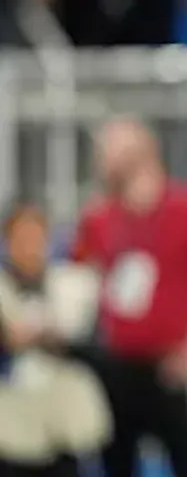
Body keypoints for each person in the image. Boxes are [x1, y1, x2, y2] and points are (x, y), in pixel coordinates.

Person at [72, 117, 187, 477]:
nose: (100, 161)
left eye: (108, 152)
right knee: (116, 461)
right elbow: (81, 279)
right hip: (115, 362)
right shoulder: (100, 217)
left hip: (168, 365)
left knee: (184, 460)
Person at [0, 201, 110, 477]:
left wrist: (58, 341)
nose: (29, 247)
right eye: (20, 238)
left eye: (35, 238)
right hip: (10, 426)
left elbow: (100, 350)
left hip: (60, 425)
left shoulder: (70, 285)